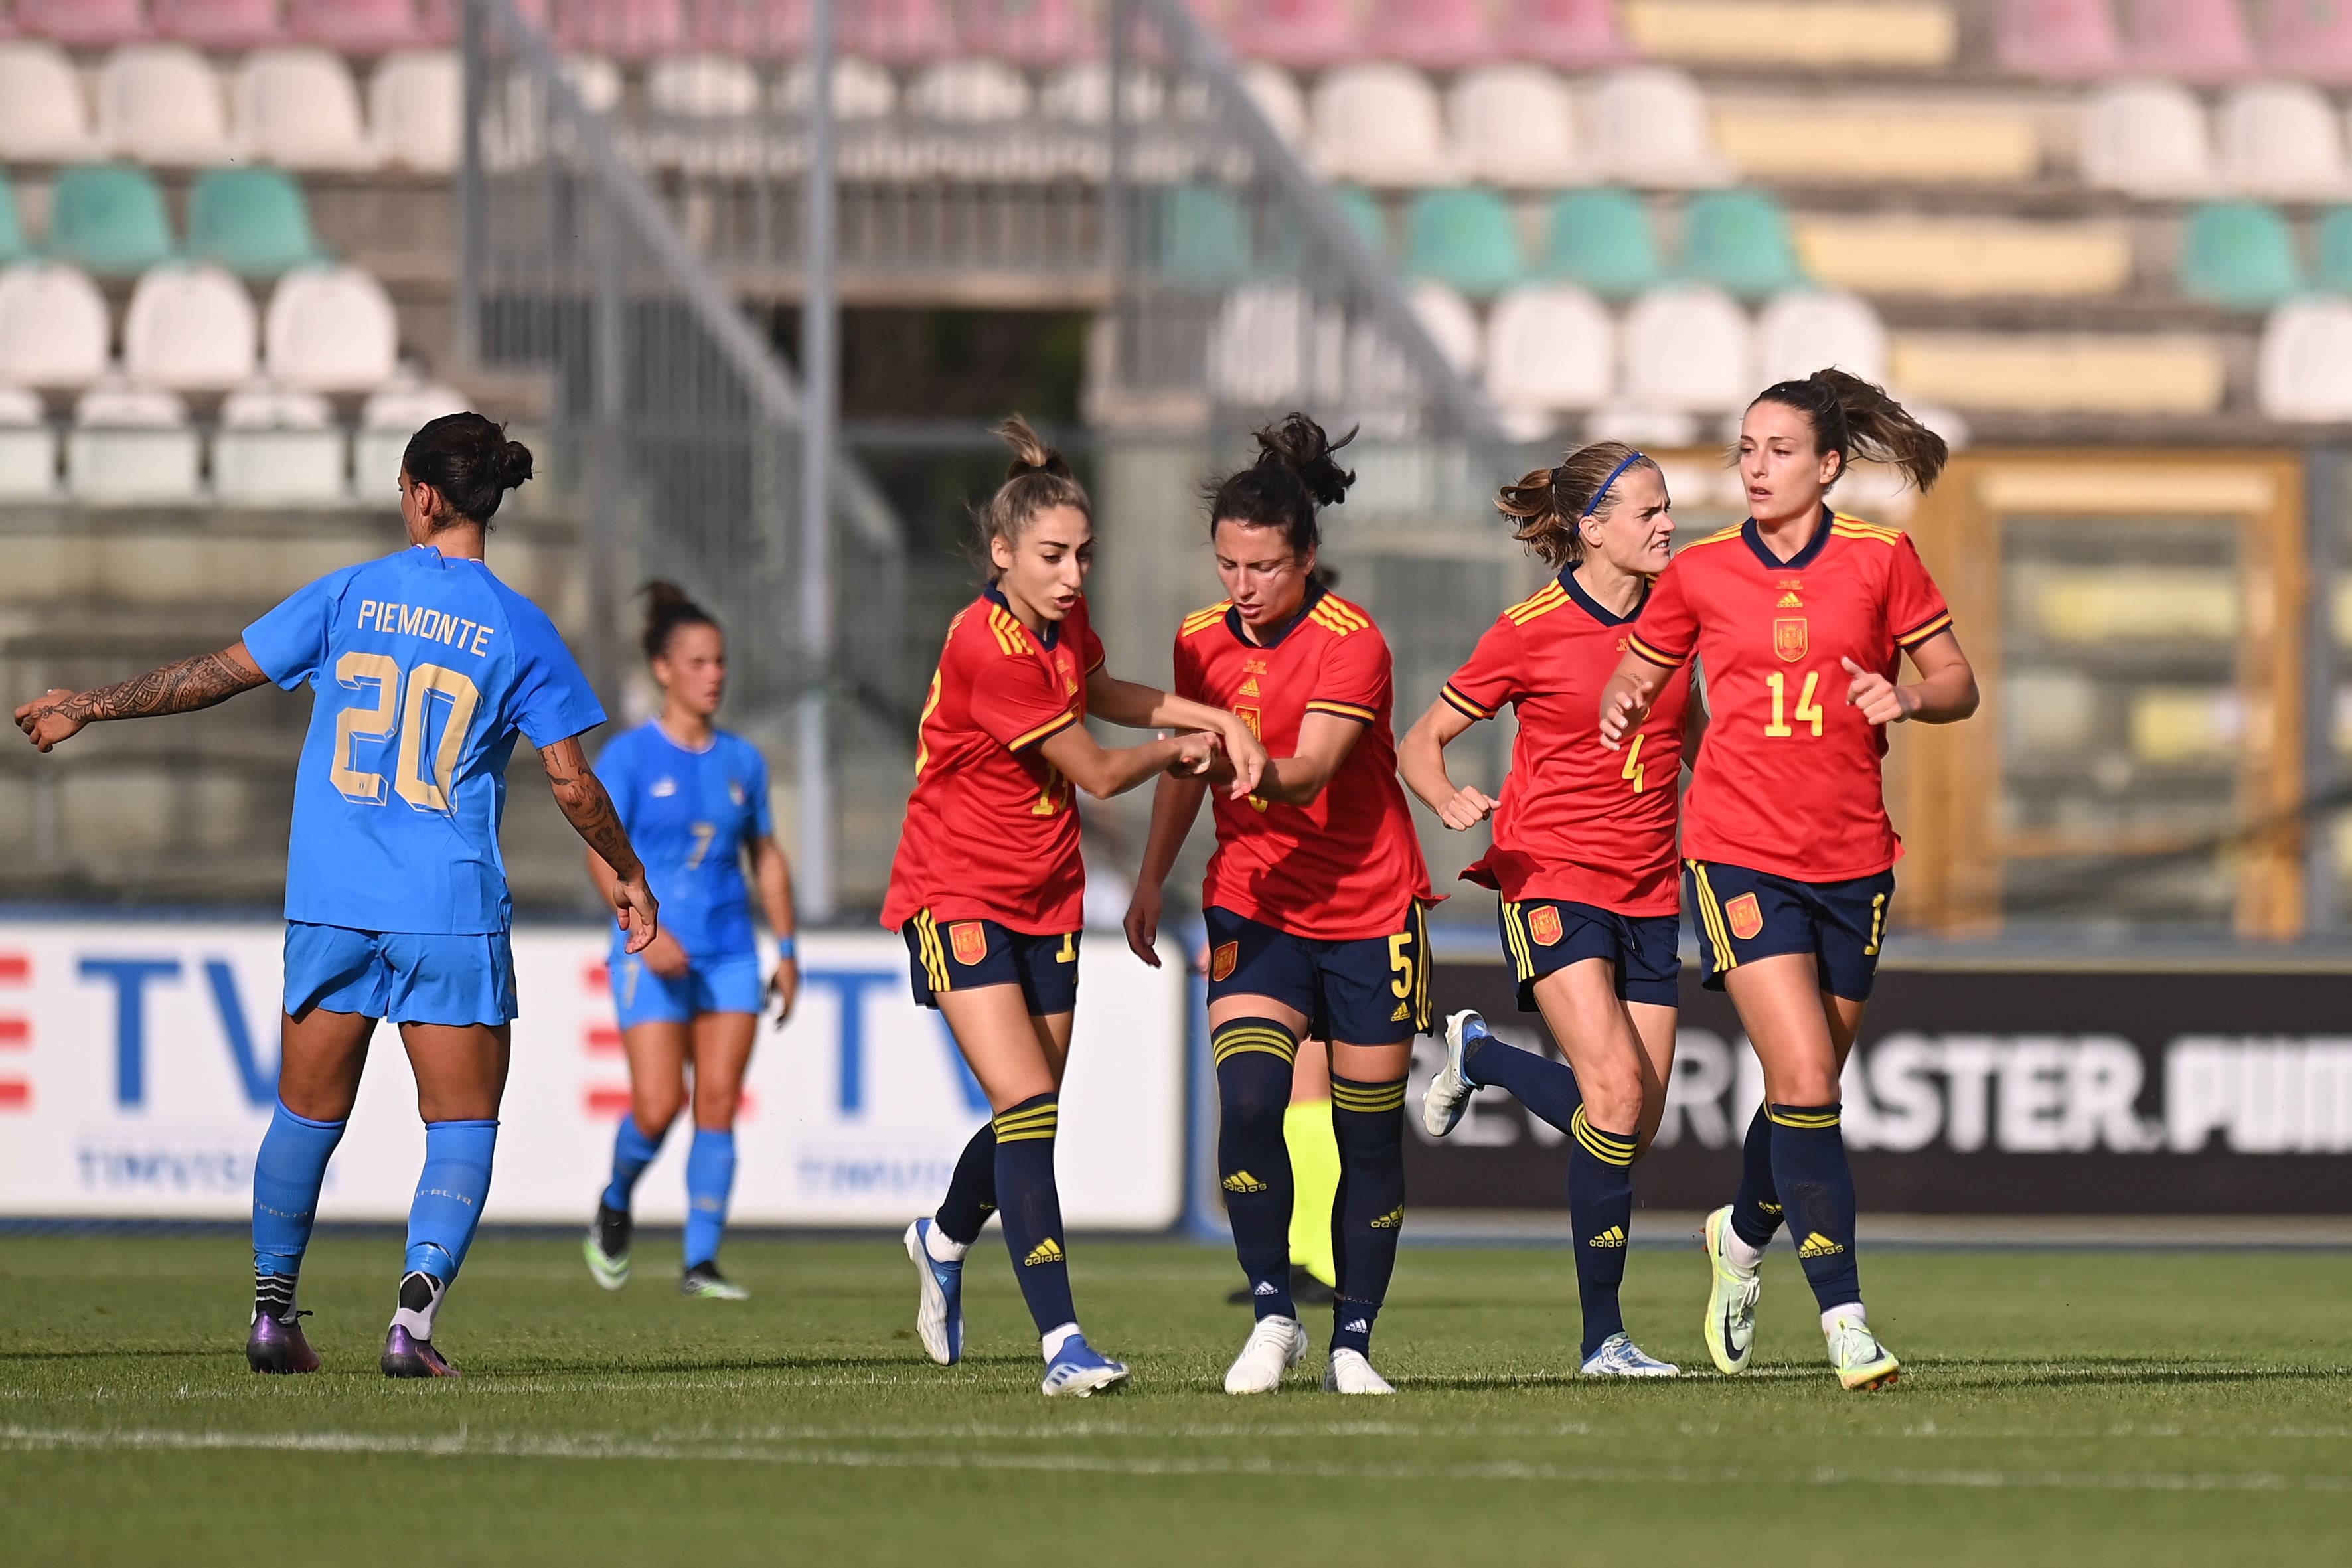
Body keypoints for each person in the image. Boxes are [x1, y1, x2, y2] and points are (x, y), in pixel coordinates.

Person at [15, 413, 657, 1379]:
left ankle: (273, 1312)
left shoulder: (349, 592)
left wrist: (87, 703)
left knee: (305, 1113)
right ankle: (413, 1318)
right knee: (461, 1124)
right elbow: (571, 781)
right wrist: (628, 872)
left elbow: (214, 677)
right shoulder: (520, 626)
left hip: (332, 898)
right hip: (445, 904)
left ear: (424, 495)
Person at [1596, 370, 1979, 1392]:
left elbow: (1956, 684)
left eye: (1776, 449)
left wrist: (1903, 692)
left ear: (1826, 464)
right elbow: (1643, 667)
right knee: (1806, 1081)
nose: (1754, 466)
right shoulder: (1703, 569)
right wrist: (1626, 696)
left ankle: (1740, 1230)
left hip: (1854, 860)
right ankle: (1846, 1321)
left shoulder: (1878, 557)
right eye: (1745, 448)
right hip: (1734, 850)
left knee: (1805, 1084)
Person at [888, 416, 1268, 1398]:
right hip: (956, 887)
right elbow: (1100, 771)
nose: (1070, 573)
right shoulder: (989, 644)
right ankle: (1062, 1343)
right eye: (1052, 556)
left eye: (1082, 555)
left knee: (1033, 1110)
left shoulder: (1059, 626)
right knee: (1023, 1105)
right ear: (1002, 553)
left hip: (1046, 890)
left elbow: (1105, 690)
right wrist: (1183, 749)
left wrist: (1207, 713)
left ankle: (938, 1239)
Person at [1125, 414, 1433, 1397]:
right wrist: (1148, 877)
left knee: (1367, 1133)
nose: (1241, 586)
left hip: (1367, 909)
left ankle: (1353, 1339)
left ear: (1306, 557)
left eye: (1261, 566)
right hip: (1252, 904)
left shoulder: (1354, 645)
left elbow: (1307, 776)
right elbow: (1183, 770)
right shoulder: (1195, 641)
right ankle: (1270, 1313)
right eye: (1226, 565)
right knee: (1251, 1103)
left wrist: (1243, 763)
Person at [1399, 441, 1690, 1377]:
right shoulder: (1527, 628)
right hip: (1552, 876)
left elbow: (1697, 743)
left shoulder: (1680, 620)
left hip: (1652, 884)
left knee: (1633, 1124)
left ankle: (1478, 1052)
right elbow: (1421, 740)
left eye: (1666, 508)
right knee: (1608, 1096)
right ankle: (1602, 1339)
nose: (1666, 525)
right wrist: (1445, 797)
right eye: (1646, 512)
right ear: (1590, 528)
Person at [582, 582, 798, 1302]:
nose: (716, 674)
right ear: (664, 669)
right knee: (656, 1106)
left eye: (721, 661)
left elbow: (766, 857)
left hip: (731, 951)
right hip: (652, 950)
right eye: (699, 661)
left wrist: (788, 951)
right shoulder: (631, 758)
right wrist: (645, 929)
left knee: (717, 1103)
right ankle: (616, 1198)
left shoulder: (743, 761)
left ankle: (700, 1264)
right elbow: (602, 853)